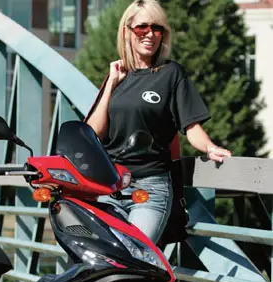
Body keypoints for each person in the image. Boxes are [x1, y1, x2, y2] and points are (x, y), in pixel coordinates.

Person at [86, 0, 231, 244]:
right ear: (127, 31)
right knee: (105, 256)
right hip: (111, 185)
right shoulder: (117, 78)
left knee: (137, 252)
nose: (150, 34)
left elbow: (191, 125)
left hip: (150, 187)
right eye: (142, 27)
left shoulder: (171, 73)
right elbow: (93, 133)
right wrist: (111, 83)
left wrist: (210, 147)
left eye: (157, 28)